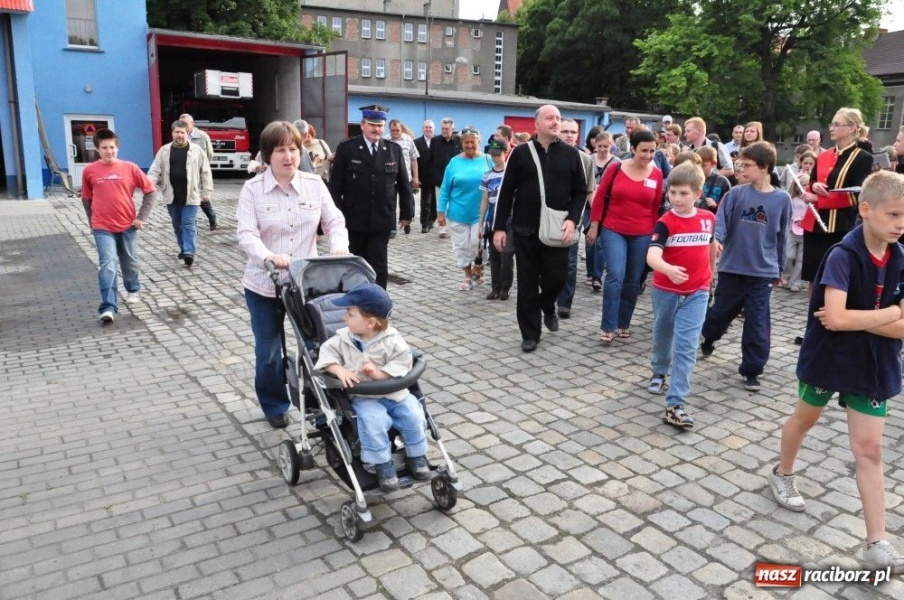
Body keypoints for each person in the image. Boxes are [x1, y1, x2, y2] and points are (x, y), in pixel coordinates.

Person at [767, 171, 904, 573]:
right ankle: (783, 471)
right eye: (894, 214)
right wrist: (891, 314)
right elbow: (834, 320)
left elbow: (849, 318)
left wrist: (870, 319)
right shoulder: (842, 255)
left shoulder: (901, 257)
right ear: (866, 210)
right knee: (805, 418)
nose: (901, 224)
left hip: (874, 364)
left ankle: (876, 542)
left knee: (871, 449)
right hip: (830, 358)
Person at [237, 120, 349, 428]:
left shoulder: (314, 185)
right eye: (280, 150)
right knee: (270, 350)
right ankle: (275, 403)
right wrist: (268, 256)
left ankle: (317, 402)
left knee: (316, 345)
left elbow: (335, 222)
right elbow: (246, 234)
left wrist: (338, 248)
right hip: (264, 285)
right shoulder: (253, 189)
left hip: (306, 285)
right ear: (267, 155)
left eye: (293, 149)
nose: (288, 156)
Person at [313, 283, 430, 492]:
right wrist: (339, 370)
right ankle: (382, 463)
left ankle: (417, 455)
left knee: (414, 414)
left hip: (396, 393)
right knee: (373, 421)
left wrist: (378, 374)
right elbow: (326, 357)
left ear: (370, 323)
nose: (344, 318)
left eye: (350, 314)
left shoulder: (392, 339)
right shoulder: (342, 339)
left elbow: (403, 361)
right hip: (364, 397)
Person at [492, 104, 587, 352]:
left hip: (557, 231)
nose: (556, 122)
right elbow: (506, 193)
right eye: (550, 118)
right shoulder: (521, 153)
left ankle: (548, 305)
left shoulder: (571, 154)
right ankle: (530, 333)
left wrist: (573, 219)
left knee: (556, 278)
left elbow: (580, 192)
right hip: (525, 230)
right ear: (536, 124)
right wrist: (499, 227)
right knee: (527, 282)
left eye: (558, 118)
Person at [700, 142, 791, 391]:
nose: (742, 169)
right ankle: (709, 336)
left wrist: (779, 269)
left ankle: (752, 369)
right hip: (733, 269)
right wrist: (716, 239)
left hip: (763, 273)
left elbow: (782, 237)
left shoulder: (782, 200)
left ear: (764, 167)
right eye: (741, 164)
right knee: (721, 313)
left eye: (747, 165)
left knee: (757, 321)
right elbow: (721, 222)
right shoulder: (736, 194)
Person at [646, 162, 717, 428]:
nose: (676, 198)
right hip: (666, 291)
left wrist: (712, 276)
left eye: (683, 193)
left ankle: (675, 404)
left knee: (686, 347)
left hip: (697, 291)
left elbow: (710, 247)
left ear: (698, 193)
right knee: (662, 335)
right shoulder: (665, 222)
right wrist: (667, 269)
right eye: (672, 192)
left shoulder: (707, 218)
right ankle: (659, 369)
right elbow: (652, 255)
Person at [587, 129, 664, 345]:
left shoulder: (657, 174)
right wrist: (594, 226)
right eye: (644, 150)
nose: (648, 155)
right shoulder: (616, 167)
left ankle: (623, 323)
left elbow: (656, 207)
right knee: (615, 275)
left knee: (632, 280)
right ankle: (608, 326)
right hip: (614, 229)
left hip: (642, 232)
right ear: (632, 149)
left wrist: (656, 237)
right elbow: (600, 198)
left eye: (652, 151)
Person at [329, 104, 414, 288]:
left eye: (380, 125)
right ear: (362, 125)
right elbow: (335, 186)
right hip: (353, 218)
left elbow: (403, 183)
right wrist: (335, 216)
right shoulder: (347, 148)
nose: (376, 129)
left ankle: (377, 304)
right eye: (372, 124)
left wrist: (407, 212)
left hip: (382, 218)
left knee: (379, 265)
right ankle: (354, 303)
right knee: (354, 264)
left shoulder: (393, 149)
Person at [80, 129, 157, 324]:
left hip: (127, 225)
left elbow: (150, 191)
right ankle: (108, 307)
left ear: (117, 147)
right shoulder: (89, 171)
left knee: (129, 261)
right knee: (108, 264)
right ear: (97, 149)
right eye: (104, 148)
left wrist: (141, 217)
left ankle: (133, 288)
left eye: (112, 147)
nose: (109, 151)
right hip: (102, 226)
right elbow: (86, 199)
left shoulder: (130, 168)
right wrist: (92, 222)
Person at [801, 108, 874, 288]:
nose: (831, 128)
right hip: (815, 224)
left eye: (836, 124)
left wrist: (819, 199)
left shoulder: (863, 158)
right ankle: (813, 315)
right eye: (831, 124)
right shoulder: (824, 155)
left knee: (833, 279)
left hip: (840, 226)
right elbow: (812, 182)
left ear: (851, 128)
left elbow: (858, 195)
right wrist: (814, 186)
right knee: (813, 277)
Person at [147, 119, 214, 268]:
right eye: (177, 132)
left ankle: (189, 251)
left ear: (187, 133)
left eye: (182, 132)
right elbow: (155, 170)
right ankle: (184, 248)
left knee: (188, 223)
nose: (179, 135)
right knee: (177, 225)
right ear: (172, 133)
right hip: (172, 195)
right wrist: (148, 185)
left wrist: (206, 191)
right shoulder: (164, 151)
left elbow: (206, 172)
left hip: (191, 195)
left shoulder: (197, 151)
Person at [437, 126, 488, 291]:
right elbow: (445, 188)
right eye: (466, 142)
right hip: (458, 213)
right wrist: (440, 212)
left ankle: (479, 268)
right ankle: (467, 277)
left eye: (473, 142)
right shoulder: (454, 162)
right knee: (462, 247)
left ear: (479, 142)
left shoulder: (488, 160)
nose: (470, 145)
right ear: (462, 143)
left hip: (481, 214)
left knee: (479, 244)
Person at [556, 118, 597, 319]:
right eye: (565, 131)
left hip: (574, 219)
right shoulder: (548, 156)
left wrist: (596, 220)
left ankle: (564, 303)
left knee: (570, 262)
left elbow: (591, 191)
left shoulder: (585, 159)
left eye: (573, 131)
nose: (569, 135)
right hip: (547, 218)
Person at [478, 138, 514, 300]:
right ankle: (495, 287)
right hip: (492, 215)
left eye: (498, 154)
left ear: (505, 153)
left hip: (508, 216)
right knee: (494, 254)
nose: (495, 158)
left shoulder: (512, 173)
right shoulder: (488, 175)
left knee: (506, 254)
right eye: (493, 155)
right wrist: (480, 223)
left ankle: (506, 287)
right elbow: (485, 199)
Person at [585, 131, 620, 291]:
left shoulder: (617, 162)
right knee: (590, 240)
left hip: (607, 206)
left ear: (611, 145)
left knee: (600, 243)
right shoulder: (589, 160)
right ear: (595, 145)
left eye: (606, 146)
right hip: (587, 204)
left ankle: (597, 277)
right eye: (599, 146)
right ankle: (590, 273)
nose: (603, 149)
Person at [782, 151, 816, 292]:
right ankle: (787, 275)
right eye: (799, 186)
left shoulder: (811, 201)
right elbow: (787, 213)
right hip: (792, 229)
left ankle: (796, 281)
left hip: (806, 231)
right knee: (789, 256)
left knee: (801, 259)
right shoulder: (790, 199)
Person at [179, 113, 218, 230]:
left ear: (192, 123)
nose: (183, 126)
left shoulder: (202, 136)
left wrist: (202, 167)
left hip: (198, 172)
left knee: (202, 198)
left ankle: (212, 218)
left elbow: (210, 153)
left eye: (185, 123)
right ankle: (190, 223)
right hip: (184, 172)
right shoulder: (180, 135)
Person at [429, 118, 463, 239]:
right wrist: (433, 176)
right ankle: (442, 229)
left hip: (456, 179)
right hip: (440, 179)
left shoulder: (460, 141)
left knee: (454, 204)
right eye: (442, 128)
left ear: (452, 129)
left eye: (446, 129)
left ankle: (454, 227)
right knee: (441, 204)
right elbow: (430, 159)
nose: (444, 131)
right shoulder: (435, 141)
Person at [388, 119, 420, 237]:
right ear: (389, 130)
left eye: (398, 130)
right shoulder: (385, 141)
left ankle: (406, 221)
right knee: (391, 203)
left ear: (401, 129)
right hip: (390, 178)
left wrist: (416, 177)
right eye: (393, 130)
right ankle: (392, 228)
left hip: (406, 177)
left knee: (407, 202)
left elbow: (414, 159)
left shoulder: (408, 140)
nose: (395, 132)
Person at [414, 120, 436, 233]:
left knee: (435, 200)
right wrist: (415, 177)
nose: (428, 129)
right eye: (426, 127)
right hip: (423, 175)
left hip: (436, 175)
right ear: (423, 129)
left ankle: (432, 219)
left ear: (433, 129)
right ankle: (424, 223)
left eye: (430, 128)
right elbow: (414, 160)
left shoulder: (438, 141)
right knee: (425, 201)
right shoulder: (416, 142)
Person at [696, 146, 731, 213]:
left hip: (714, 217)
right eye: (697, 164)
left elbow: (729, 206)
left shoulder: (722, 181)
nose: (700, 168)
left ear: (713, 164)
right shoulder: (692, 179)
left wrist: (716, 205)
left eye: (703, 165)